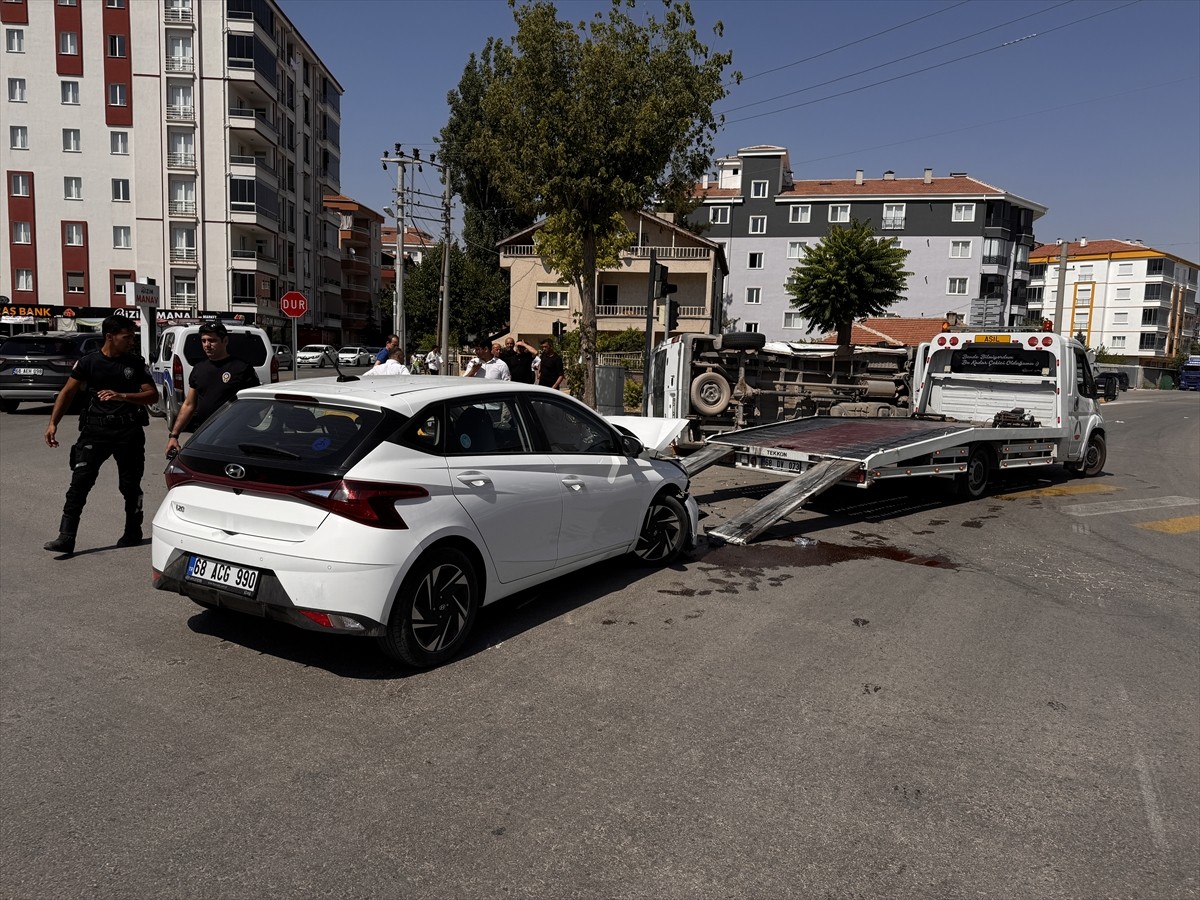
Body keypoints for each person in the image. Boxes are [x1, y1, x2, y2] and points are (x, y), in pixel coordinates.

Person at [43, 314, 157, 556]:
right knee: (79, 483)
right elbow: (67, 392)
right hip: (95, 432)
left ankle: (133, 530)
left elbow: (152, 395)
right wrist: (53, 423)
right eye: (127, 337)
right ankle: (66, 537)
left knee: (130, 485)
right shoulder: (89, 362)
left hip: (128, 432)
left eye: (132, 337)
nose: (131, 341)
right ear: (110, 337)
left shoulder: (135, 363)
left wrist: (123, 396)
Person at [165, 320, 261, 458]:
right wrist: (174, 436)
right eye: (203, 341)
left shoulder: (242, 368)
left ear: (225, 341)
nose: (207, 345)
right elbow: (189, 405)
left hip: (234, 438)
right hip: (205, 434)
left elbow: (255, 405)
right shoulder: (198, 369)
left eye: (212, 340)